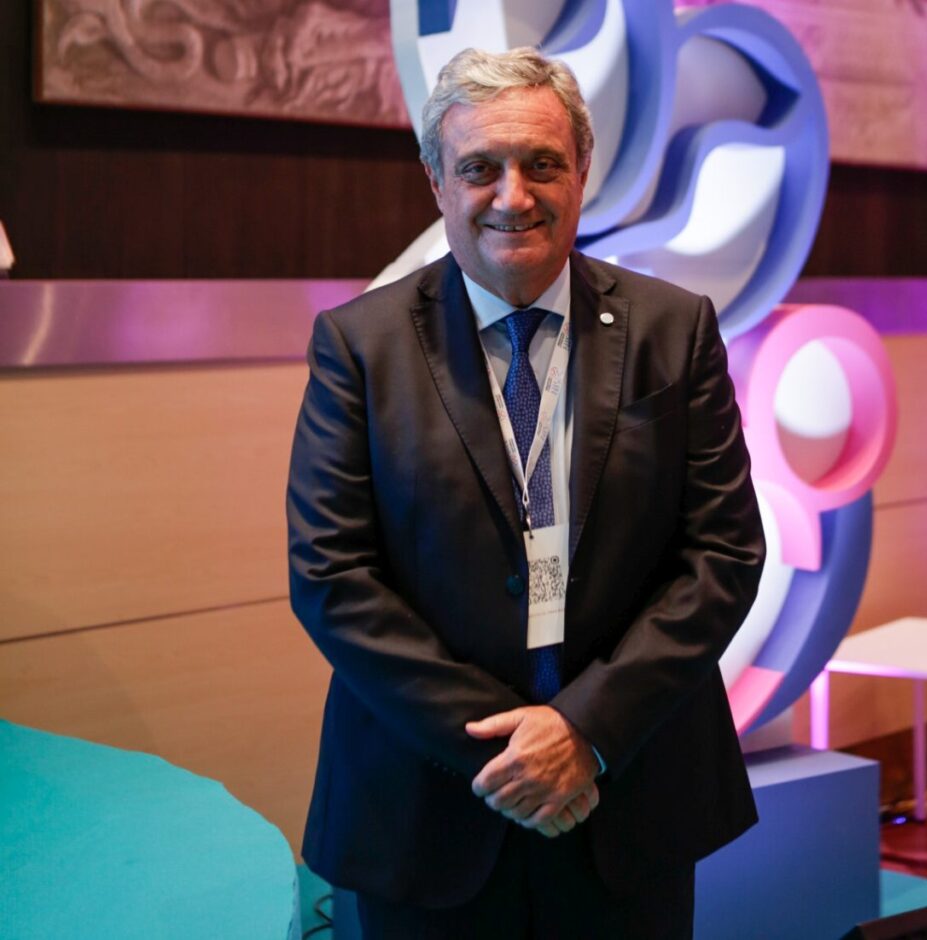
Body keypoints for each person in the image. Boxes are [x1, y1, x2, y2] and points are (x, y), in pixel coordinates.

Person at [287, 46, 766, 939]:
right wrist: (512, 749)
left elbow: (723, 556)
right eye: (480, 168)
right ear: (436, 180)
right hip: (428, 804)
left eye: (543, 163)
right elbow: (332, 577)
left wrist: (584, 731)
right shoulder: (359, 346)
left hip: (628, 796)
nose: (514, 196)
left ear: (582, 171)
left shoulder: (675, 331)